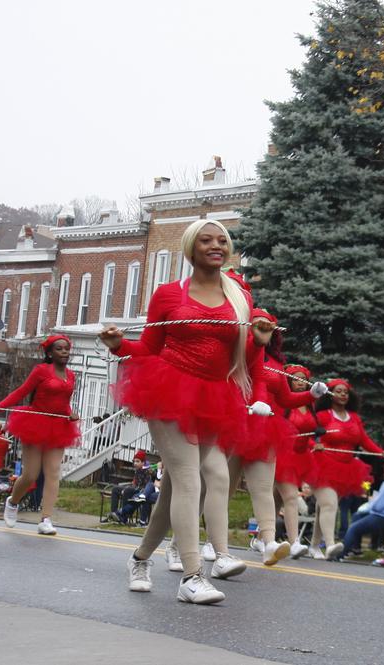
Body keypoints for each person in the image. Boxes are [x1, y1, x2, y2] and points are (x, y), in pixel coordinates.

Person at [100, 219, 271, 605]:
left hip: (214, 397)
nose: (216, 246)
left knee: (180, 488)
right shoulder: (167, 294)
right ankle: (191, 576)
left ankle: (140, 558)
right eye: (207, 240)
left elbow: (242, 358)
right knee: (189, 478)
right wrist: (117, 346)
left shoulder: (239, 295)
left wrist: (259, 343)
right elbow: (148, 348)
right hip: (169, 390)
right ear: (191, 248)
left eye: (222, 240)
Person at [230, 309, 327, 566]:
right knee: (223, 486)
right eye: (259, 325)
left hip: (265, 427)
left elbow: (285, 398)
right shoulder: (238, 349)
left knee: (263, 488)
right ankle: (202, 544)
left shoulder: (275, 362)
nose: (265, 330)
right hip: (235, 421)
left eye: (270, 326)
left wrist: (312, 395)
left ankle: (269, 543)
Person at [0, 334, 80, 536]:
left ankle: (46, 519)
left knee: (54, 472)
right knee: (31, 474)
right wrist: (1, 405)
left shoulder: (71, 375)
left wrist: (70, 413)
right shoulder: (41, 371)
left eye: (66, 348)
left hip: (59, 425)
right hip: (35, 422)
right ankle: (13, 502)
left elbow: (63, 401)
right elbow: (22, 391)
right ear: (49, 352)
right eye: (59, 348)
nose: (64, 351)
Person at [311, 379, 384, 560]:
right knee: (330, 505)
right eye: (338, 391)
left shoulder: (354, 417)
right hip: (322, 464)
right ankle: (330, 545)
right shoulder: (323, 415)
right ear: (330, 394)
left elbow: (364, 440)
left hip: (346, 468)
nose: (343, 395)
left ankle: (315, 546)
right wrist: (316, 444)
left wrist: (380, 452)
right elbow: (310, 434)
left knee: (323, 508)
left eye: (346, 392)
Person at [275, 363, 320, 559]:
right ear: (288, 381)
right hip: (283, 455)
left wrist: (314, 442)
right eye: (296, 379)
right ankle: (294, 542)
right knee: (291, 497)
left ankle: (261, 538)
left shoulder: (310, 404)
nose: (300, 384)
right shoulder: (283, 402)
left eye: (303, 380)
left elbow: (306, 433)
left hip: (301, 457)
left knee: (277, 499)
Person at [334, 457, 384, 560]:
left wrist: (371, 504)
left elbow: (378, 506)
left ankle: (341, 554)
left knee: (354, 528)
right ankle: (356, 548)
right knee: (356, 516)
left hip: (383, 516)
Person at [108, 450, 151, 522]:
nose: (135, 463)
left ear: (143, 462)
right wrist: (129, 486)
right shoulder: (137, 470)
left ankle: (124, 517)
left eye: (137, 461)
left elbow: (146, 487)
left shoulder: (147, 471)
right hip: (134, 488)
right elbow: (134, 483)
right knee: (115, 489)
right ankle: (114, 514)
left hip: (141, 491)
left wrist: (129, 488)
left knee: (128, 491)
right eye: (134, 461)